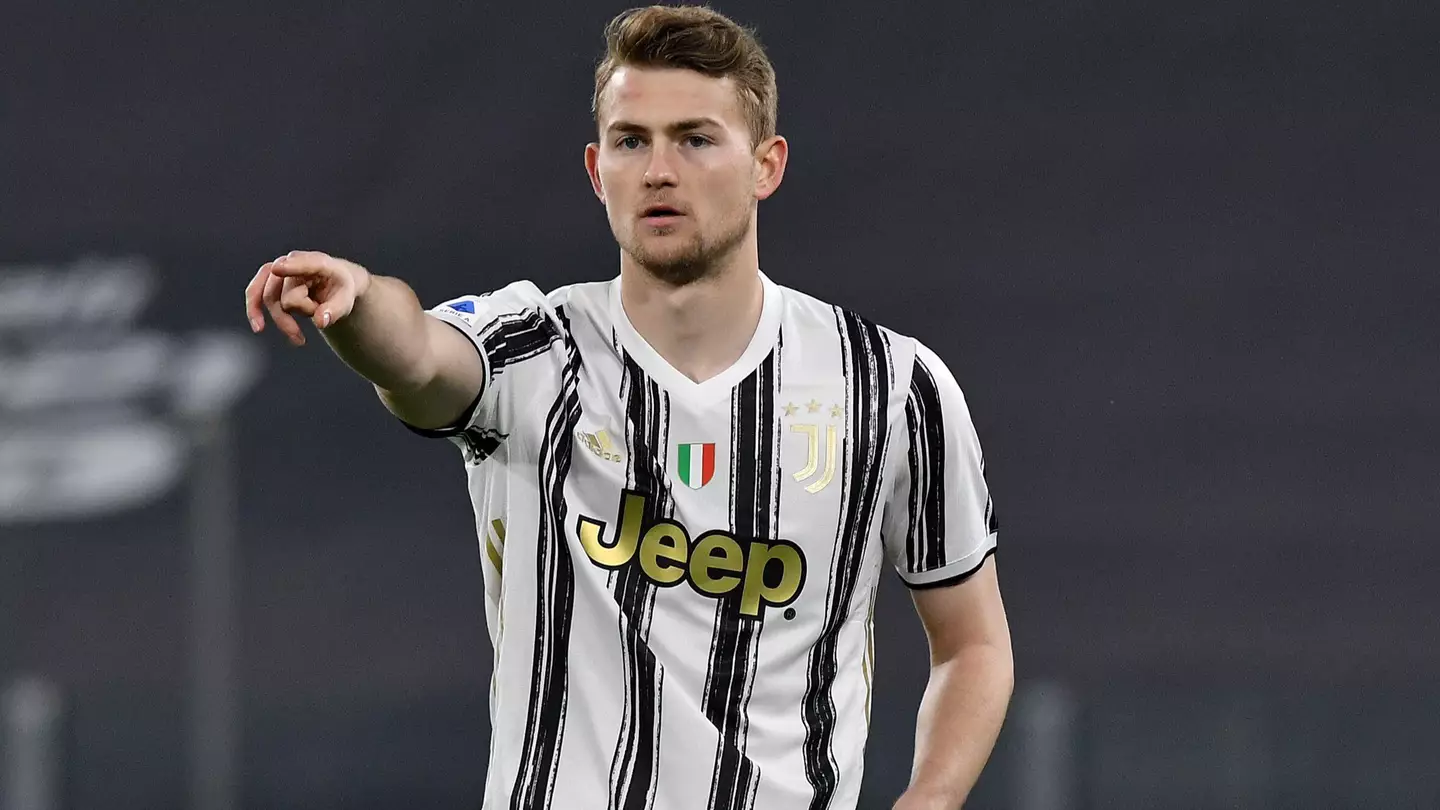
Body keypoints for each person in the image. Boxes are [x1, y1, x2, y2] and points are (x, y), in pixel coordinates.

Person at [242, 6, 1012, 809]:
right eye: (631, 140)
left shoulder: (890, 386)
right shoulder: (535, 349)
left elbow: (974, 642)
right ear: (595, 168)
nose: (659, 171)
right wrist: (359, 298)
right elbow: (418, 354)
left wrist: (931, 798)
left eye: (697, 139)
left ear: (766, 165)